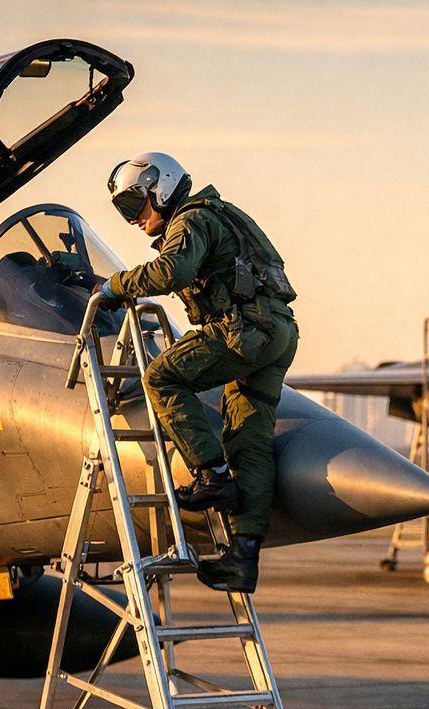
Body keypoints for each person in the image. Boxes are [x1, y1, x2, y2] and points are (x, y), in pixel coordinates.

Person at [99, 153, 298, 593]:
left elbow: (174, 270)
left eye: (135, 205)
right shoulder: (220, 213)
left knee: (161, 377)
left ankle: (212, 475)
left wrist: (114, 286)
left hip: (243, 331)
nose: (133, 219)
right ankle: (242, 557)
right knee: (249, 438)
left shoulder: (190, 221)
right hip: (278, 331)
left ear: (161, 188)